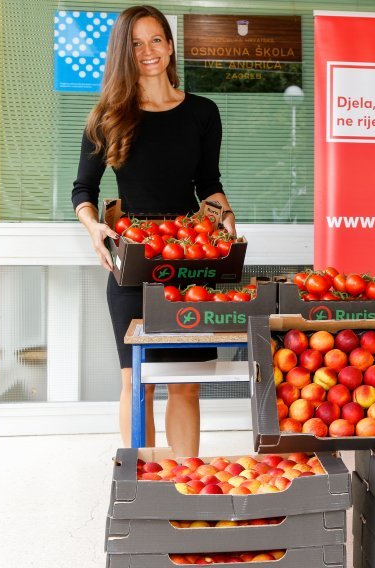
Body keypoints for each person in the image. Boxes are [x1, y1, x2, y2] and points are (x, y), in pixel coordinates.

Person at [71, 5, 235, 457]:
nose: (148, 51)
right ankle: (142, 484)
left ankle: (187, 479)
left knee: (185, 386)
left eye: (156, 40)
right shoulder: (109, 114)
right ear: (124, 53)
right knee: (137, 383)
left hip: (189, 263)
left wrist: (223, 219)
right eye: (137, 43)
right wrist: (93, 228)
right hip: (133, 265)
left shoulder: (202, 112)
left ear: (170, 45)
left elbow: (209, 185)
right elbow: (83, 190)